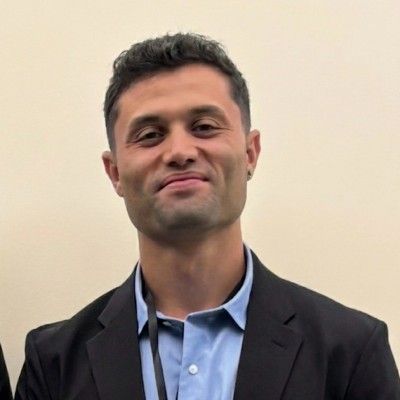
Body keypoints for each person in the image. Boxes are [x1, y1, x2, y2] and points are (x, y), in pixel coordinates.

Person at [15, 33, 399, 400]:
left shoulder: (350, 353)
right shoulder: (53, 364)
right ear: (114, 172)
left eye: (204, 127)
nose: (180, 151)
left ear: (250, 153)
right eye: (150, 135)